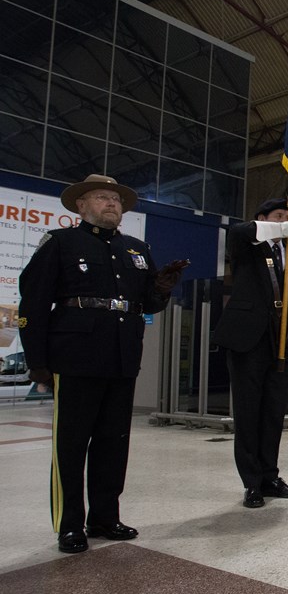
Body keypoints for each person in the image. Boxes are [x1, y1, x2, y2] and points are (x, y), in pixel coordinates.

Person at [18, 174, 186, 553]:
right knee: (72, 443)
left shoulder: (136, 250)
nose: (111, 203)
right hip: (75, 357)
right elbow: (32, 304)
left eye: (116, 199)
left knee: (114, 442)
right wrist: (37, 361)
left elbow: (148, 304)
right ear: (81, 205)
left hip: (122, 356)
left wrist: (161, 287)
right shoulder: (60, 243)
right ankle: (70, 524)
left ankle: (105, 516)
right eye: (102, 198)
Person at [214, 197, 288, 509]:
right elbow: (238, 233)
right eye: (278, 216)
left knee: (272, 414)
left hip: (279, 343)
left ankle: (270, 477)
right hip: (247, 339)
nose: (285, 221)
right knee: (248, 411)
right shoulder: (248, 247)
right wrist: (276, 227)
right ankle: (251, 483)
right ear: (263, 218)